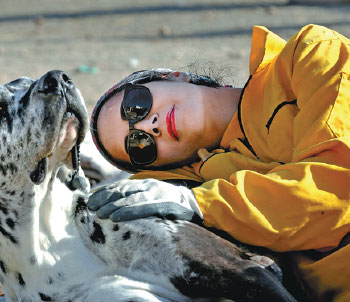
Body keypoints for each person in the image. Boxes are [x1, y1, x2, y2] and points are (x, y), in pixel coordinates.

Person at [88, 24, 350, 301]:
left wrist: (200, 204)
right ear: (158, 168)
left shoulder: (311, 53)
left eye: (136, 106)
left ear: (175, 76)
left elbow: (337, 188)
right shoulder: (186, 192)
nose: (149, 127)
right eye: (139, 146)